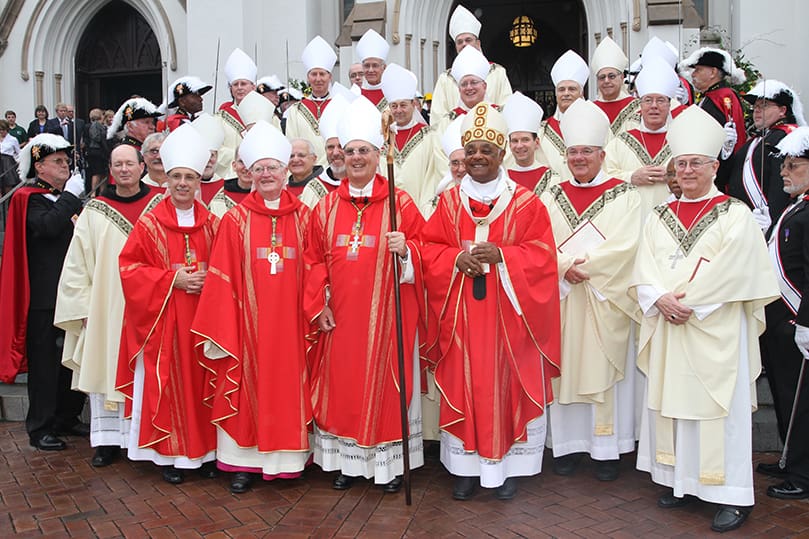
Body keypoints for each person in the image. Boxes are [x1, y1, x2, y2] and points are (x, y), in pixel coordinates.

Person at [630, 105, 779, 533]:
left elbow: (740, 269)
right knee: (674, 407)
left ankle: (730, 493)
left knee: (719, 413)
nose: (689, 169)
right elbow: (644, 265)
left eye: (697, 162)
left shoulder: (736, 214)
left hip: (715, 331)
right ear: (673, 168)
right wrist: (659, 299)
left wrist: (689, 304)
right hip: (670, 325)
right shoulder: (659, 215)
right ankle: (683, 482)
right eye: (682, 162)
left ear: (715, 165)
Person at [420, 102, 560, 500]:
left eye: (487, 150)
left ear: (502, 155)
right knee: (464, 383)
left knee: (506, 386)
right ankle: (465, 467)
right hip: (461, 319)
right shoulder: (447, 203)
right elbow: (429, 249)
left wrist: (505, 256)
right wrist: (453, 259)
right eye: (472, 151)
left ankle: (509, 466)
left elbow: (545, 256)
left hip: (509, 322)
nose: (478, 157)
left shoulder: (527, 202)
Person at [303, 96, 425, 493]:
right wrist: (318, 304)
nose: (355, 158)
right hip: (340, 319)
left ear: (379, 155)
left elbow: (428, 254)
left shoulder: (400, 202)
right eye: (349, 151)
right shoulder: (324, 208)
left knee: (386, 388)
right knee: (342, 389)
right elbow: (312, 261)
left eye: (364, 151)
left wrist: (407, 251)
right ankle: (347, 465)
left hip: (387, 318)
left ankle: (386, 469)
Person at [192, 121, 312, 494]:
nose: (265, 174)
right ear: (247, 173)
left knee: (286, 387)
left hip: (291, 326)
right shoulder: (235, 219)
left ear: (285, 170)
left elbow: (315, 267)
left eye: (272, 167)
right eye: (258, 168)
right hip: (246, 325)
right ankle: (243, 463)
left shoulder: (306, 217)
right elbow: (221, 275)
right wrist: (228, 320)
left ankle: (287, 461)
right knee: (245, 387)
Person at [539, 99, 641, 482]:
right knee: (563, 368)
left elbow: (627, 246)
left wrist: (586, 268)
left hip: (605, 299)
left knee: (602, 368)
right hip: (564, 296)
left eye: (586, 151)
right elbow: (538, 244)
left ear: (602, 154)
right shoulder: (551, 194)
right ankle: (565, 447)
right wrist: (564, 268)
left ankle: (606, 449)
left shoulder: (625, 194)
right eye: (573, 152)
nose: (579, 158)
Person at [116, 124, 219, 484]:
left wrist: (212, 281)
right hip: (165, 320)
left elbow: (227, 268)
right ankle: (169, 454)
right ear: (166, 179)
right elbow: (129, 268)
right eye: (176, 176)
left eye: (189, 177)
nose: (182, 183)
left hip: (204, 319)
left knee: (202, 383)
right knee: (172, 385)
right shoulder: (150, 224)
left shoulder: (214, 224)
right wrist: (172, 279)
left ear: (198, 182)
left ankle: (205, 453)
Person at [54, 144, 162, 467]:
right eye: (118, 165)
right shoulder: (94, 210)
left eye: (130, 163)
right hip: (106, 306)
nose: (125, 169)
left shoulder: (159, 205)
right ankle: (108, 441)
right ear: (111, 171)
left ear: (142, 167)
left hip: (150, 305)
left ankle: (144, 437)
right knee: (106, 365)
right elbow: (77, 263)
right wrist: (82, 306)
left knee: (145, 370)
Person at [0, 133, 87, 450]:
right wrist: (71, 198)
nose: (65, 166)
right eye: (58, 162)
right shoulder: (29, 198)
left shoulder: (61, 197)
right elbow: (48, 226)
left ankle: (67, 416)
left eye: (66, 161)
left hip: (69, 293)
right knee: (46, 366)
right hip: (43, 297)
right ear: (39, 166)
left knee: (68, 361)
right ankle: (41, 426)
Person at [757, 126, 809, 500]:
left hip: (796, 320)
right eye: (784, 166)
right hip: (779, 321)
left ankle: (803, 475)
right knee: (785, 393)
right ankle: (789, 456)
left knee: (801, 399)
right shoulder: (797, 206)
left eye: (793, 165)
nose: (783, 172)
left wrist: (806, 323)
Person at [727, 80, 806, 235]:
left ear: (783, 110)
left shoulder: (786, 137)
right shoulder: (756, 140)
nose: (756, 111)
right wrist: (726, 150)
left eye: (763, 106)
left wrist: (774, 218)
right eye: (755, 107)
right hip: (745, 220)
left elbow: (781, 183)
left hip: (766, 221)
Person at [604, 57, 679, 215]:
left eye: (660, 100)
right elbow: (603, 175)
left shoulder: (683, 141)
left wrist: (673, 175)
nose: (654, 106)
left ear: (669, 105)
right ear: (640, 105)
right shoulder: (620, 142)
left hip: (673, 217)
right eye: (648, 100)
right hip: (629, 219)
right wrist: (631, 177)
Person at [678, 47, 747, 190]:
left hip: (719, 169)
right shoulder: (708, 97)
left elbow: (733, 137)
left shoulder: (725, 96)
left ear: (713, 72)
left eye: (698, 69)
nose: (693, 74)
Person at [430, 5, 512, 122]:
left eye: (468, 40)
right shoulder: (446, 79)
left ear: (478, 43)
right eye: (459, 42)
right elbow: (437, 117)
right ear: (456, 47)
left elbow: (506, 109)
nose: (464, 44)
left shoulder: (496, 72)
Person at [380, 63, 437, 216]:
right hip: (386, 211)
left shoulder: (429, 136)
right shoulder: (382, 138)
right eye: (394, 106)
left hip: (419, 210)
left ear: (413, 104)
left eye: (403, 105)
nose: (398, 110)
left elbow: (432, 177)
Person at [286, 36, 338, 166]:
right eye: (314, 74)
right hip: (305, 171)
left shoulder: (339, 106)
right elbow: (291, 143)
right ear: (308, 78)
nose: (318, 79)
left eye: (322, 74)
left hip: (335, 169)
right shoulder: (295, 111)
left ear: (329, 77)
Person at [540, 50, 590, 182]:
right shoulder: (541, 130)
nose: (566, 93)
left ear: (581, 93)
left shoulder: (596, 125)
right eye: (561, 89)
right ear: (556, 94)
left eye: (572, 89)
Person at [299, 94, 350, 209]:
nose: (335, 153)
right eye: (330, 147)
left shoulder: (363, 186)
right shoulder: (313, 189)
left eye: (341, 147)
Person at [501, 92, 555, 195]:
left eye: (525, 140)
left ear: (537, 143)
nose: (520, 145)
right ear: (509, 145)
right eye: (515, 141)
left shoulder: (552, 178)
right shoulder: (503, 178)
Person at [215, 48, 257, 179]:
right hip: (229, 176)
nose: (239, 87)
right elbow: (215, 150)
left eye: (243, 84)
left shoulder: (266, 115)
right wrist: (240, 158)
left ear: (253, 87)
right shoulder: (220, 118)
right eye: (235, 84)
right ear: (230, 89)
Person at [590, 36, 639, 136]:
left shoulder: (637, 107)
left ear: (621, 77)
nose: (606, 81)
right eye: (602, 77)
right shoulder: (590, 109)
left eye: (611, 76)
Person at [356, 29, 389, 110]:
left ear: (384, 68)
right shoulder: (355, 94)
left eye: (375, 65)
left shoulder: (393, 93)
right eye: (367, 66)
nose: (370, 70)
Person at [84, 108, 109, 193]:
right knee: (97, 173)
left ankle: (102, 192)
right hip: (96, 152)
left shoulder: (101, 125)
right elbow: (96, 137)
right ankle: (93, 193)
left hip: (100, 152)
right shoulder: (95, 125)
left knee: (102, 173)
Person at [0, 119, 21, 193]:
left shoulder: (13, 139)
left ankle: (8, 202)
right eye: (0, 130)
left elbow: (18, 153)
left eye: (3, 129)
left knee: (8, 183)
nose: (1, 131)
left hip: (8, 162)